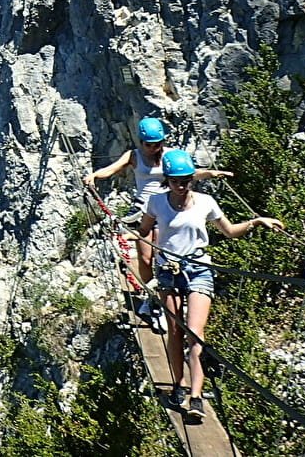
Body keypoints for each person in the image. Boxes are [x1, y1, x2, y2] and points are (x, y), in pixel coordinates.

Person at [139, 149, 283, 420]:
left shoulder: (206, 202)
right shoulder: (156, 203)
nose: (181, 186)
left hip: (199, 269)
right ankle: (178, 386)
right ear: (167, 180)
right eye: (175, 181)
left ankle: (196, 396)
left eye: (186, 180)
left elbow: (229, 231)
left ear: (192, 179)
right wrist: (144, 244)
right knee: (175, 331)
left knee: (195, 333)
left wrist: (255, 222)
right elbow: (145, 230)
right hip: (170, 271)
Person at [83, 118, 233, 331]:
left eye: (157, 144)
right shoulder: (133, 156)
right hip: (144, 211)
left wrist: (210, 173)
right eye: (149, 144)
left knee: (165, 255)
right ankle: (150, 295)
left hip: (168, 211)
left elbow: (186, 175)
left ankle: (163, 299)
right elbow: (112, 168)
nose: (154, 148)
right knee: (145, 257)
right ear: (141, 142)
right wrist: (95, 176)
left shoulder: (170, 156)